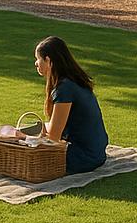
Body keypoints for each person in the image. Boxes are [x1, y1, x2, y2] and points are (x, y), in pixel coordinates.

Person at [23, 36, 108, 175]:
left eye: (38, 59)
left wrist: (24, 137)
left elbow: (53, 138)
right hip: (96, 153)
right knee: (32, 132)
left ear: (48, 61)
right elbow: (56, 126)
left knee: (27, 157)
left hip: (82, 157)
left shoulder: (64, 88)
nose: (36, 63)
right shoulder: (76, 81)